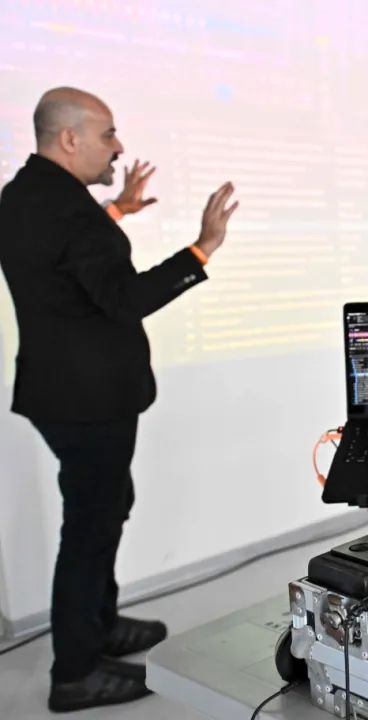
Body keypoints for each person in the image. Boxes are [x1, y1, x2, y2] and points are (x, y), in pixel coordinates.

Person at [0, 87, 239, 713]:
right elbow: (124, 298)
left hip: (58, 391)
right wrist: (202, 248)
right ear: (69, 138)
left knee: (102, 510)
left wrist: (117, 212)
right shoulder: (69, 212)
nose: (119, 145)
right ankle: (75, 673)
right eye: (107, 133)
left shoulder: (26, 194)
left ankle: (98, 626)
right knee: (91, 527)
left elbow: (63, 260)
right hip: (90, 398)